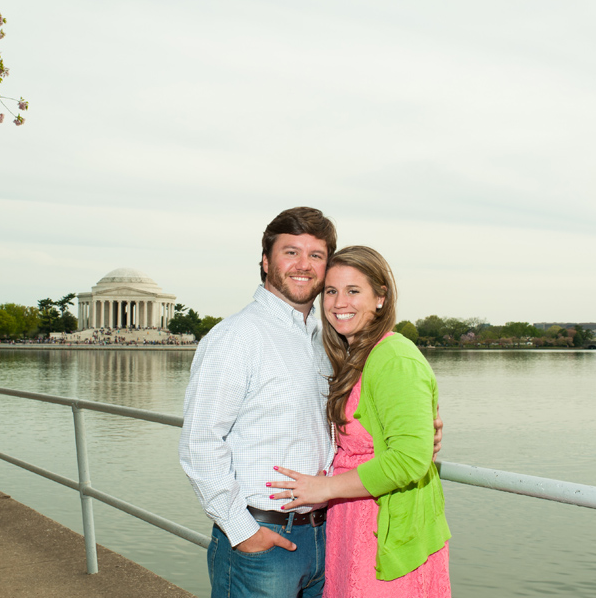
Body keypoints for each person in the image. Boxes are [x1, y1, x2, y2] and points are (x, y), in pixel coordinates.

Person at [179, 209, 442, 598]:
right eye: (291, 252)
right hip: (263, 540)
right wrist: (242, 531)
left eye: (316, 255)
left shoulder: (327, 339)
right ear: (266, 262)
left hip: (326, 536)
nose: (303, 265)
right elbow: (199, 444)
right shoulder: (236, 338)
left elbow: (357, 418)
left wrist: (418, 431)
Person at [270, 245, 451, 597]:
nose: (340, 303)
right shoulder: (355, 357)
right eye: (332, 291)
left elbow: (409, 459)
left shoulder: (395, 356)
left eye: (354, 291)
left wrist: (323, 488)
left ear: (380, 298)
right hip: (352, 524)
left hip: (384, 529)